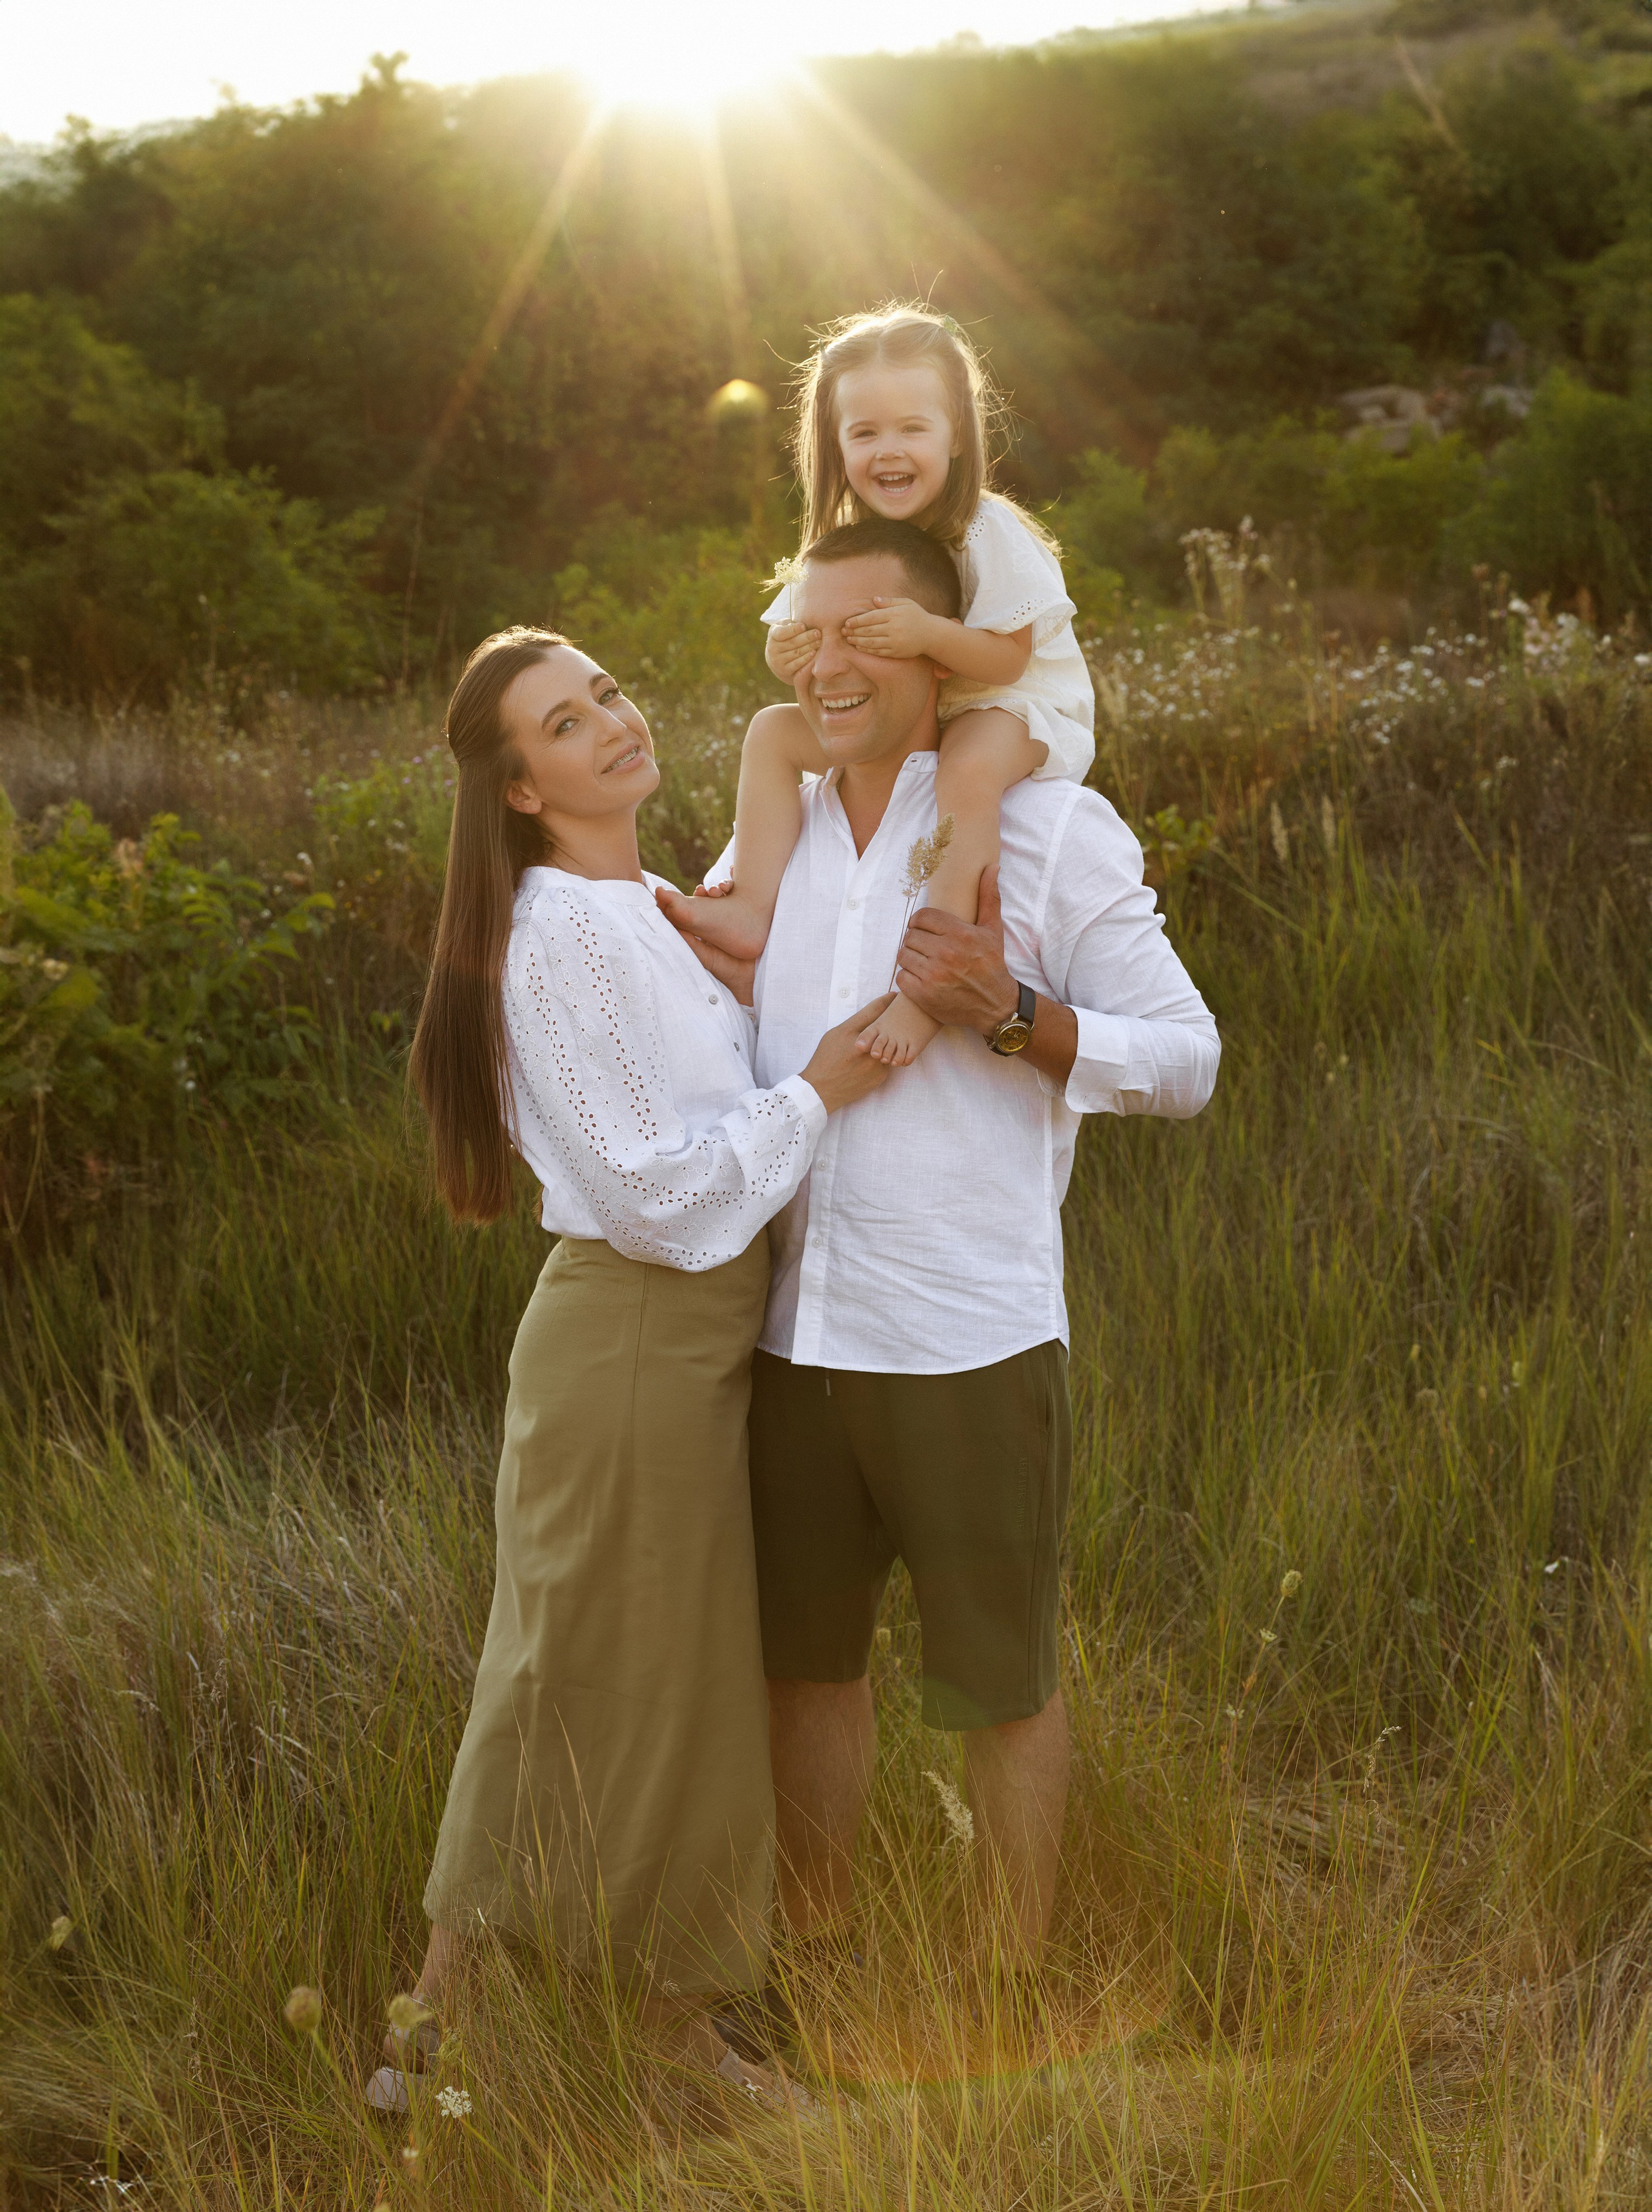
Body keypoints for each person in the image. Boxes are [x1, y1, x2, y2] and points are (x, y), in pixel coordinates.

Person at [661, 518, 1219, 2027]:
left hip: (966, 1327)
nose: (827, 662)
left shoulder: (1045, 830)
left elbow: (1186, 1058)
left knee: (998, 1681)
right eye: (802, 633)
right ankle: (809, 1963)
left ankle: (1006, 1978)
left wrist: (1007, 1010)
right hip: (785, 1330)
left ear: (942, 648)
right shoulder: (766, 839)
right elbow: (702, 1009)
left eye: (866, 630)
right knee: (801, 1669)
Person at [378, 627, 892, 2113]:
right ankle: (648, 2037)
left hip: (688, 1343)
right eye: (563, 719)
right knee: (606, 1684)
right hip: (632, 1339)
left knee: (603, 1682)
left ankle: (438, 2039)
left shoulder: (646, 905)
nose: (607, 721)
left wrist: (831, 679)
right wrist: (821, 1087)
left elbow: (789, 785)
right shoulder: (558, 934)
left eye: (604, 689)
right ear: (521, 786)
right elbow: (656, 1191)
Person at [656, 304, 1094, 1070]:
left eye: (911, 429)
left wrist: (927, 634)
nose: (887, 451)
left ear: (956, 434)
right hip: (908, 715)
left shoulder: (989, 530)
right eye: (864, 433)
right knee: (769, 731)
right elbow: (783, 635)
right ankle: (751, 907)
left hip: (1008, 707)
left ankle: (930, 979)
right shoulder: (843, 542)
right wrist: (786, 648)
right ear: (834, 444)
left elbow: (1008, 658)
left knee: (966, 769)